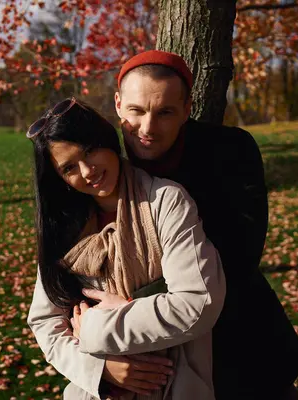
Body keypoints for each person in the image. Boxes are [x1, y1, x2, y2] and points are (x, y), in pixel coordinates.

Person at [109, 50, 298, 400]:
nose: (148, 129)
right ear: (119, 104)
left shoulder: (232, 150)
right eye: (136, 111)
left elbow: (237, 258)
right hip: (154, 372)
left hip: (246, 356)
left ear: (187, 109)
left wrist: (121, 312)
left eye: (165, 112)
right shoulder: (103, 167)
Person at [26, 98, 226, 399]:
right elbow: (45, 321)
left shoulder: (165, 201)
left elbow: (198, 302)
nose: (87, 171)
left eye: (90, 151)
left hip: (175, 385)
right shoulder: (64, 231)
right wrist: (101, 369)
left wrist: (97, 329)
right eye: (69, 168)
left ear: (107, 140)